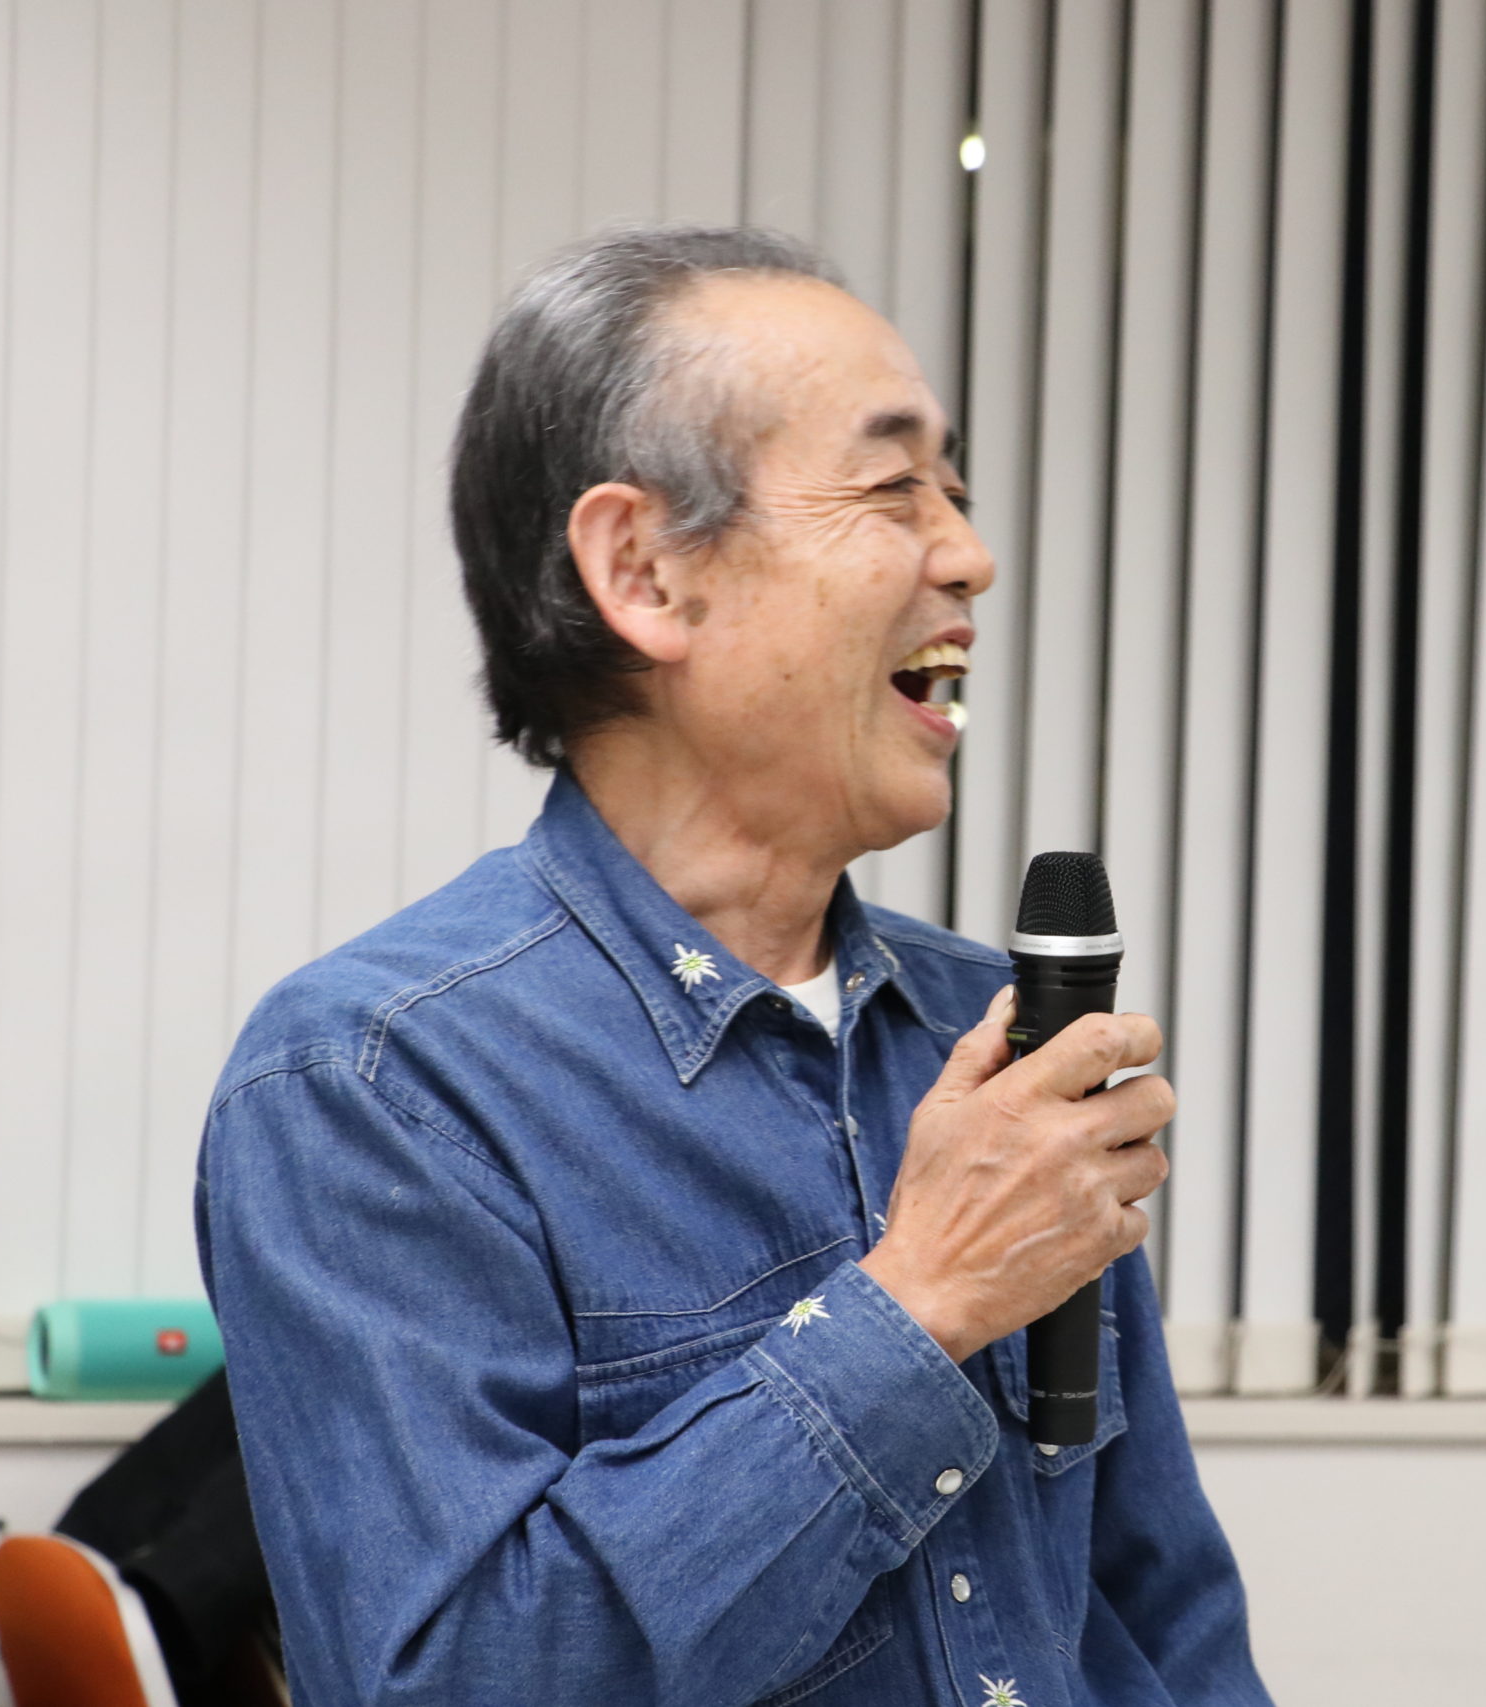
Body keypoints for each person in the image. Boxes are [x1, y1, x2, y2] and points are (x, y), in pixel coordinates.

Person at [197, 225, 1274, 1707]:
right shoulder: (379, 1082)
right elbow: (455, 1682)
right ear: (645, 571)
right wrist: (920, 1300)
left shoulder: (988, 1034)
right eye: (892, 487)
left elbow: (1160, 1616)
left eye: (956, 490)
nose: (969, 553)